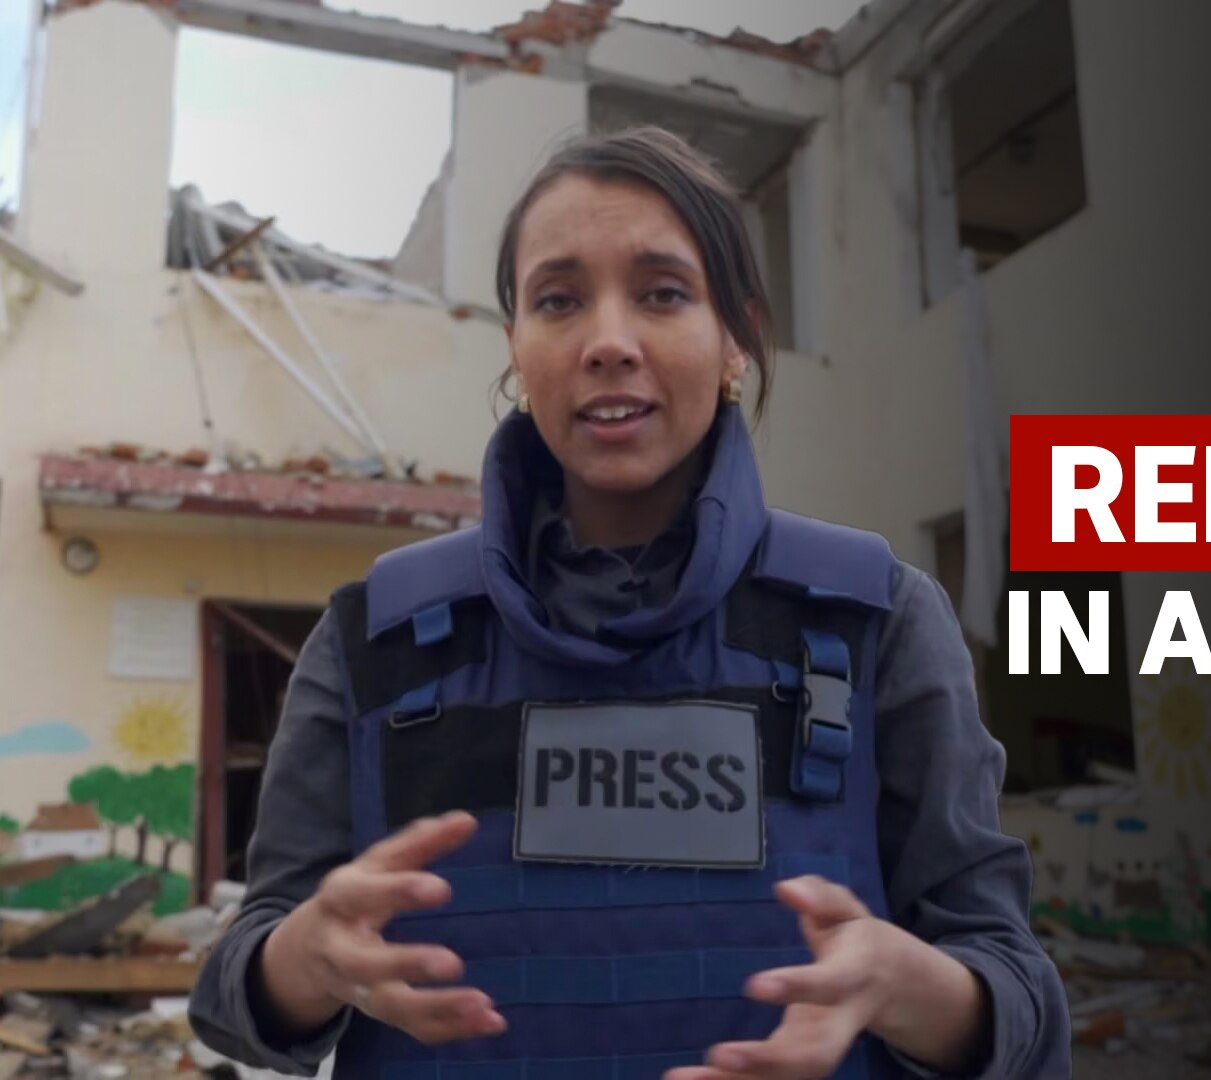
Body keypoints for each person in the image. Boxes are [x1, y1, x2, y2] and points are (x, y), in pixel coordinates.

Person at [189, 126, 1071, 1080]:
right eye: (559, 300)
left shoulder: (877, 621)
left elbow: (1019, 1000)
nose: (609, 342)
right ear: (517, 350)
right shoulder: (373, 636)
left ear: (737, 337)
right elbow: (234, 994)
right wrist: (304, 961)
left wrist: (913, 990)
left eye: (663, 292)